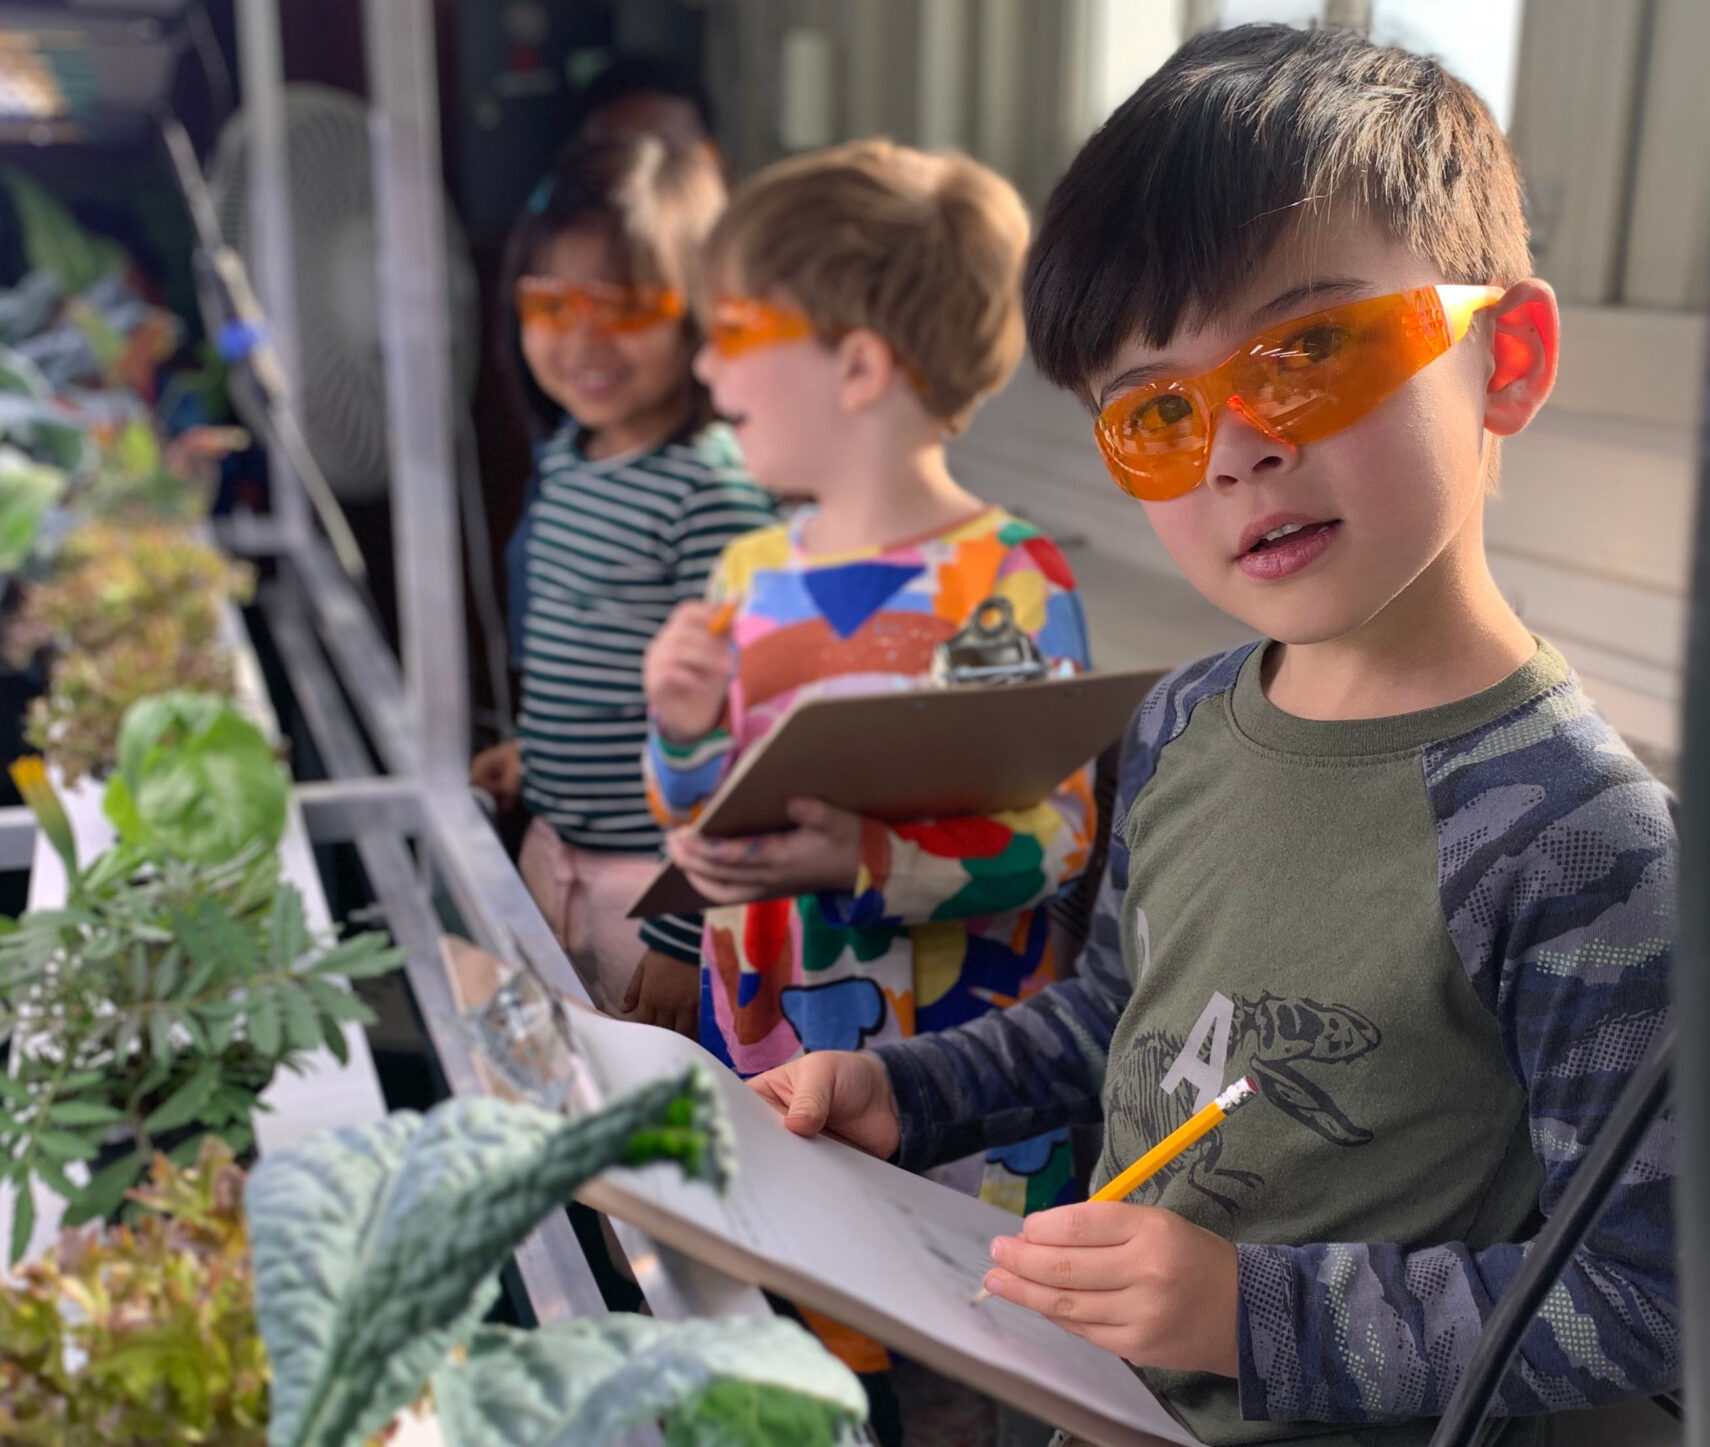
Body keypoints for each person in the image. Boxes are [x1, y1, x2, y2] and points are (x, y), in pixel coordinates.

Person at [746, 26, 1678, 1447]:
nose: (1236, 444)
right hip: (1090, 1400)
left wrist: (1251, 1312)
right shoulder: (1182, 719)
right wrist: (904, 1090)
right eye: (1156, 413)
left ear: (1506, 358)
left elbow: (1642, 1298)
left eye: (1306, 348)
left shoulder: (1583, 841)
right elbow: (1114, 1024)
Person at [470, 135, 774, 1024]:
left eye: (627, 306)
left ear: (702, 316)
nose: (583, 337)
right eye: (551, 303)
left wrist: (689, 931)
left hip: (657, 896)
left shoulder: (709, 489)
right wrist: (542, 750)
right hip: (556, 854)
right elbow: (590, 654)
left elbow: (746, 732)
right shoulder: (566, 456)